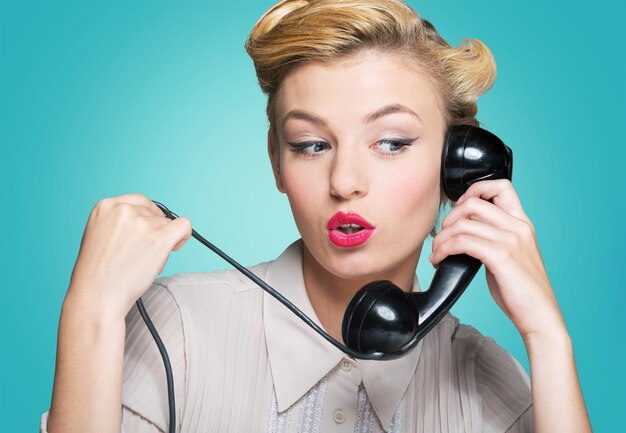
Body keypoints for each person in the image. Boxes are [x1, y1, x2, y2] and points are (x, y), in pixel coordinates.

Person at [42, 0, 592, 432]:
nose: (344, 181)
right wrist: (89, 314)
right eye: (309, 144)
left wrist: (548, 337)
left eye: (393, 142)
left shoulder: (485, 379)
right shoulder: (173, 328)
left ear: (457, 171)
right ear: (276, 161)